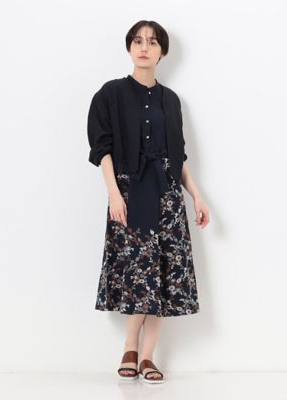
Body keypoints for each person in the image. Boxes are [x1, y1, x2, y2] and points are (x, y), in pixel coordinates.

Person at [87, 20, 210, 384]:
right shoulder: (110, 94)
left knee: (162, 275)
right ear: (129, 48)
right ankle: (130, 346)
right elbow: (102, 147)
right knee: (137, 273)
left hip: (167, 197)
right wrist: (113, 193)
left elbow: (178, 155)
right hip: (129, 193)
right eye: (138, 41)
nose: (144, 47)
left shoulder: (171, 101)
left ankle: (147, 357)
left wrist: (197, 195)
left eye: (152, 42)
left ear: (162, 52)